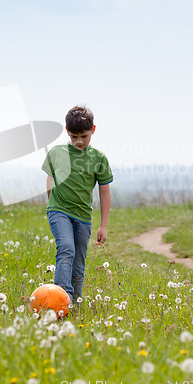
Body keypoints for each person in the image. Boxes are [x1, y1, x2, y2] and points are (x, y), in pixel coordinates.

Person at [41, 105, 113, 303]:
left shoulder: (99, 159)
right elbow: (50, 178)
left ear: (93, 130)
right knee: (66, 248)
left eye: (84, 136)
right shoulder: (56, 153)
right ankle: (62, 298)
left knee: (79, 262)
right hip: (59, 210)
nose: (79, 141)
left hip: (83, 216)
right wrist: (51, 203)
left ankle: (75, 303)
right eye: (74, 137)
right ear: (67, 132)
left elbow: (105, 193)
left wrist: (103, 225)